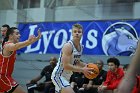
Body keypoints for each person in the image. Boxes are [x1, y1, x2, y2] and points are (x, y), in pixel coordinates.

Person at [51, 24, 93, 93]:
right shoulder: (68, 46)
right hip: (58, 75)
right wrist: (83, 70)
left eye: (79, 32)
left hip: (67, 77)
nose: (77, 33)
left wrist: (88, 66)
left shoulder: (81, 47)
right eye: (75, 31)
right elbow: (66, 66)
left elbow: (77, 62)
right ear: (72, 33)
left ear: (82, 34)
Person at [0, 27, 41, 93]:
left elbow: (20, 45)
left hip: (5, 76)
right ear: (10, 36)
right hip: (3, 76)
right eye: (17, 34)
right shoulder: (8, 45)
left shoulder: (10, 45)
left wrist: (35, 39)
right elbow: (16, 46)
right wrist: (28, 41)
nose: (19, 35)